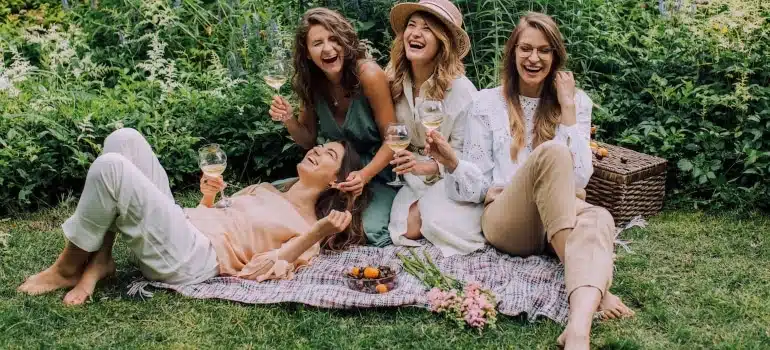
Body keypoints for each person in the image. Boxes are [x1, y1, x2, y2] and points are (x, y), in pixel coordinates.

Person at [425, 12, 635, 349]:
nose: (534, 58)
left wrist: (567, 108)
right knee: (553, 154)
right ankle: (601, 289)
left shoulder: (576, 103)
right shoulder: (486, 103)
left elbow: (581, 176)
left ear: (555, 57)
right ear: (512, 54)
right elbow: (477, 187)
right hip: (509, 220)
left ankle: (578, 329)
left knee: (600, 217)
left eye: (544, 50)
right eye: (525, 49)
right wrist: (452, 162)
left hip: (559, 217)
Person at [17, 128, 367, 306]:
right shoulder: (265, 190)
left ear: (336, 179)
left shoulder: (308, 228)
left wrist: (318, 232)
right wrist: (208, 196)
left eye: (329, 153)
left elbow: (259, 270)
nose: (317, 150)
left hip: (193, 258)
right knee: (125, 140)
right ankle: (101, 262)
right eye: (320, 146)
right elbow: (213, 213)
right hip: (183, 227)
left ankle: (66, 268)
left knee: (112, 168)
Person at [269, 8, 398, 247]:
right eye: (317, 43)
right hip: (333, 175)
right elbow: (308, 140)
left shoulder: (368, 75)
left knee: (368, 230)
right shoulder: (309, 83)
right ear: (307, 53)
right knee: (275, 201)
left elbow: (393, 139)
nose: (328, 49)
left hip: (376, 174)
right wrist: (288, 119)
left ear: (346, 43)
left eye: (334, 39)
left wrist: (364, 175)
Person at [384, 0, 483, 256]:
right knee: (404, 229)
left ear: (443, 42)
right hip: (411, 179)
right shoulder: (394, 78)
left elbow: (470, 158)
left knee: (434, 224)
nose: (415, 33)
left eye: (427, 28)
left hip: (448, 179)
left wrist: (427, 166)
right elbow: (389, 126)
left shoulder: (461, 92)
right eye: (411, 25)